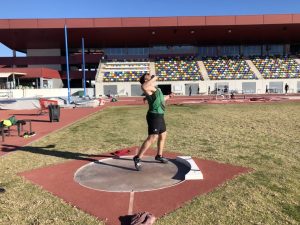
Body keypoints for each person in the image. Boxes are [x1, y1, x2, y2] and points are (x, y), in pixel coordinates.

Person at [133, 73, 173, 171]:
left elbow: (161, 99)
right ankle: (137, 158)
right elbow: (143, 86)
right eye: (149, 77)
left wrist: (169, 96)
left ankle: (159, 155)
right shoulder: (147, 88)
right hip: (154, 116)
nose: (151, 77)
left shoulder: (155, 89)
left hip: (160, 115)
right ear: (146, 80)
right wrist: (154, 78)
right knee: (153, 137)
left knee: (163, 135)